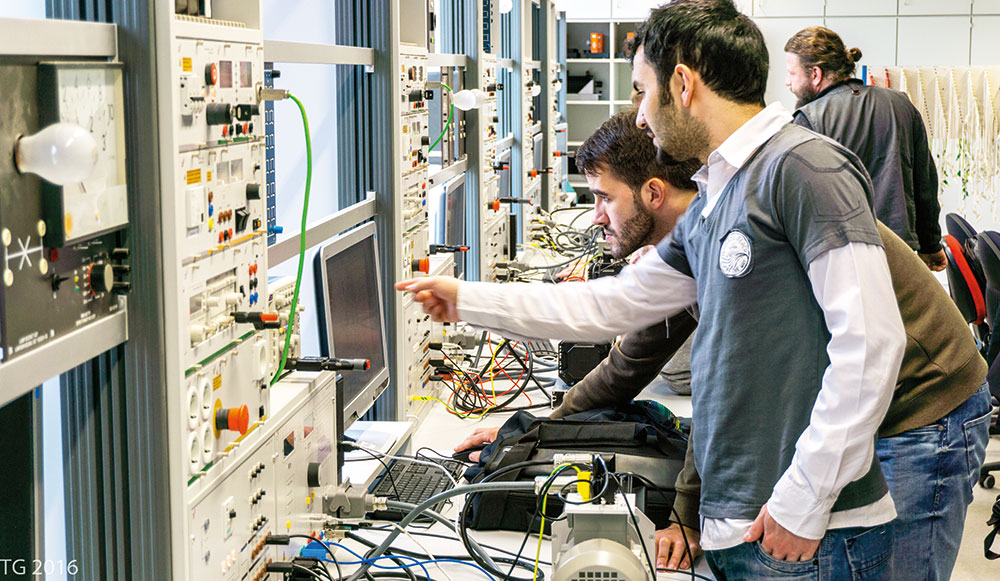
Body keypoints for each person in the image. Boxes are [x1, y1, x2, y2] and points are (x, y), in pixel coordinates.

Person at [400, 1, 908, 578]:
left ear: (683, 84)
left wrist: (804, 499)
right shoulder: (718, 197)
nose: (641, 116)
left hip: (805, 531)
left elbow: (871, 343)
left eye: (643, 90)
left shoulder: (804, 168)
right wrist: (466, 299)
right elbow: (609, 305)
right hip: (744, 518)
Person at [459, 175, 990, 581]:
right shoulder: (699, 232)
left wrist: (688, 514)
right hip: (867, 406)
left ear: (652, 193)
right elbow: (630, 359)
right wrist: (534, 432)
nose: (595, 216)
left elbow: (727, 390)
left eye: (604, 197)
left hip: (924, 409)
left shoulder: (741, 235)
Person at [784, 26, 947, 272]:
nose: (788, 82)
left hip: (841, 258)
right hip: (900, 254)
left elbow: (799, 205)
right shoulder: (900, 105)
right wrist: (931, 245)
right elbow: (924, 184)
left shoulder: (808, 119)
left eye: (792, 74)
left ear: (815, 74)